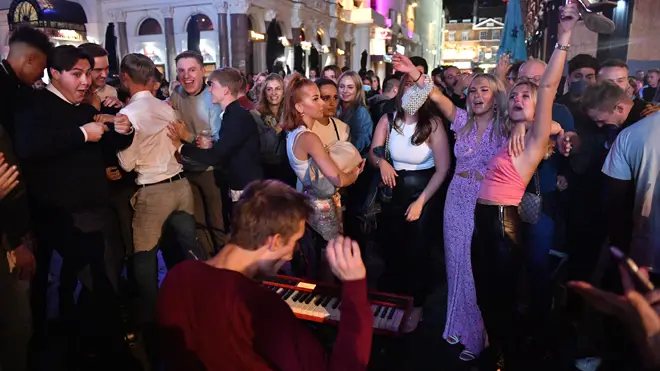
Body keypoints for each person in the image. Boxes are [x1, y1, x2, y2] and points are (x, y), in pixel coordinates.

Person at [158, 180, 373, 370]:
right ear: (274, 241)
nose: (290, 255)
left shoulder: (178, 276)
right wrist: (354, 288)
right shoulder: (261, 307)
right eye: (294, 242)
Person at [469, 5, 578, 369]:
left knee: (501, 296)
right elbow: (495, 93)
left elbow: (547, 85)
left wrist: (564, 35)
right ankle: (499, 350)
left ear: (539, 110)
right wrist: (504, 79)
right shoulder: (509, 134)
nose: (517, 99)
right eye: (514, 96)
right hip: (483, 221)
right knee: (486, 294)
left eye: (525, 97)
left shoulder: (533, 138)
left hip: (502, 223)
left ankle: (507, 357)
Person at [14, 45, 134, 363]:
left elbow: (107, 145)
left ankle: (96, 342)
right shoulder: (35, 105)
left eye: (88, 74)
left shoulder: (82, 108)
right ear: (55, 74)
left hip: (96, 209)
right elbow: (30, 146)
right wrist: (81, 134)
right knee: (83, 284)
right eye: (77, 74)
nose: (86, 82)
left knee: (105, 276)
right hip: (64, 214)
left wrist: (123, 129)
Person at [369, 66, 450, 333]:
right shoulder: (388, 119)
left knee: (418, 252)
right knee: (393, 248)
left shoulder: (433, 124)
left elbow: (442, 168)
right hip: (394, 192)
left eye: (416, 90)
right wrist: (380, 161)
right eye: (407, 89)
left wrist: (421, 202)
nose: (411, 95)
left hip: (422, 192)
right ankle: (393, 301)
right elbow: (373, 152)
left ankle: (417, 305)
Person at [0, 25, 49, 371]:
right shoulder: (8, 94)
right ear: (30, 59)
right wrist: (17, 239)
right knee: (15, 324)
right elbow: (9, 174)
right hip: (10, 226)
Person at [283, 75, 363, 279]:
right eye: (316, 99)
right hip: (320, 211)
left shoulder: (295, 133)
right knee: (325, 269)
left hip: (311, 206)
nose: (323, 104)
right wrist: (354, 173)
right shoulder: (308, 137)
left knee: (317, 266)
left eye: (322, 98)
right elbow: (337, 179)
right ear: (300, 107)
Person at [168, 67, 263, 205]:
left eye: (212, 85)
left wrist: (180, 146)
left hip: (246, 188)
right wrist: (213, 145)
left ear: (225, 90)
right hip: (242, 184)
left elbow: (215, 157)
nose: (210, 90)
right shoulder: (232, 114)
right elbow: (231, 146)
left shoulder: (236, 117)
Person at [169, 51, 225, 255]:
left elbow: (216, 141)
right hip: (186, 168)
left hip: (211, 170)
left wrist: (187, 136)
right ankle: (207, 265)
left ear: (203, 71)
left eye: (192, 69)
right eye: (181, 71)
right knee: (198, 222)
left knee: (217, 220)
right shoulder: (176, 95)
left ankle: (225, 267)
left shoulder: (213, 98)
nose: (186, 76)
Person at [338, 71, 373, 153]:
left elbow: (362, 141)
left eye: (350, 87)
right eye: (341, 86)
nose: (345, 91)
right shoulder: (336, 109)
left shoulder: (361, 111)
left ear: (358, 90)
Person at [313, 78, 350, 146]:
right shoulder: (306, 128)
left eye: (335, 98)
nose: (332, 103)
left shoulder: (342, 127)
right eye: (326, 98)